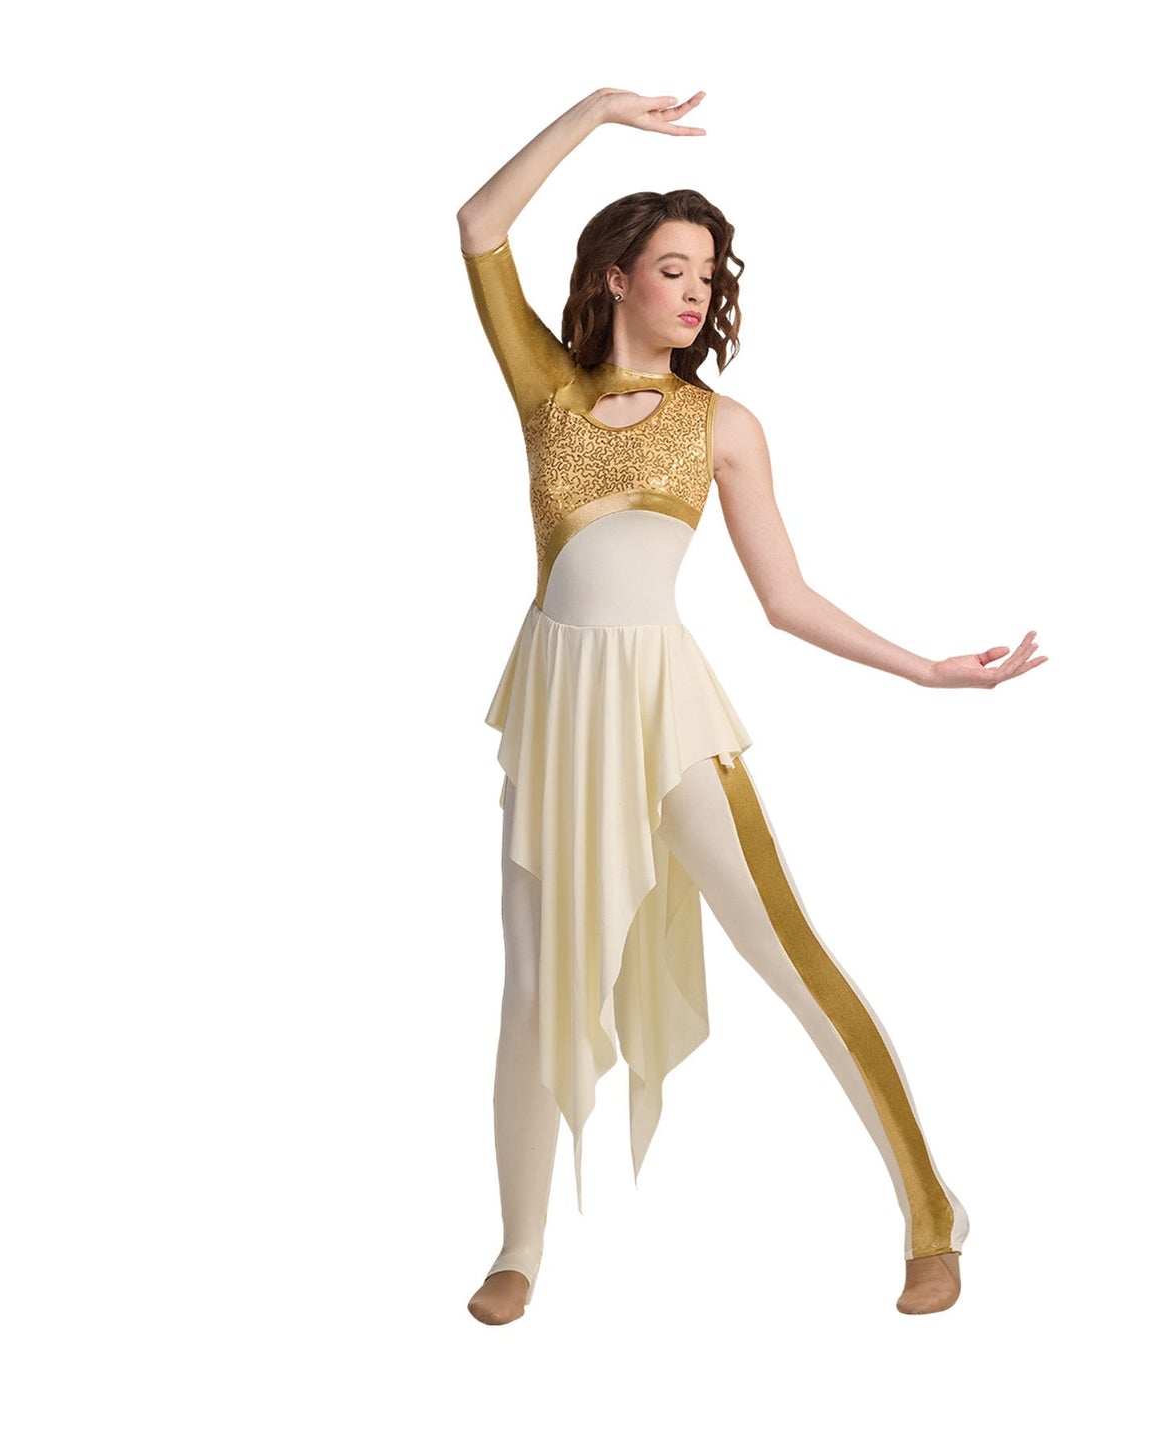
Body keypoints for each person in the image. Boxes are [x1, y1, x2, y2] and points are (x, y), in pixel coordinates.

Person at [457, 88, 1047, 1327]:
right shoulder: (547, 392)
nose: (694, 290)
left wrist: (924, 668)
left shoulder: (720, 424)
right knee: (531, 985)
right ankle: (517, 1245)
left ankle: (930, 1211)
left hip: (664, 715)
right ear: (615, 277)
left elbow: (785, 598)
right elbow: (477, 224)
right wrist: (596, 111)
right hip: (553, 716)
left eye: (707, 274)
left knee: (788, 952)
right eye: (671, 268)